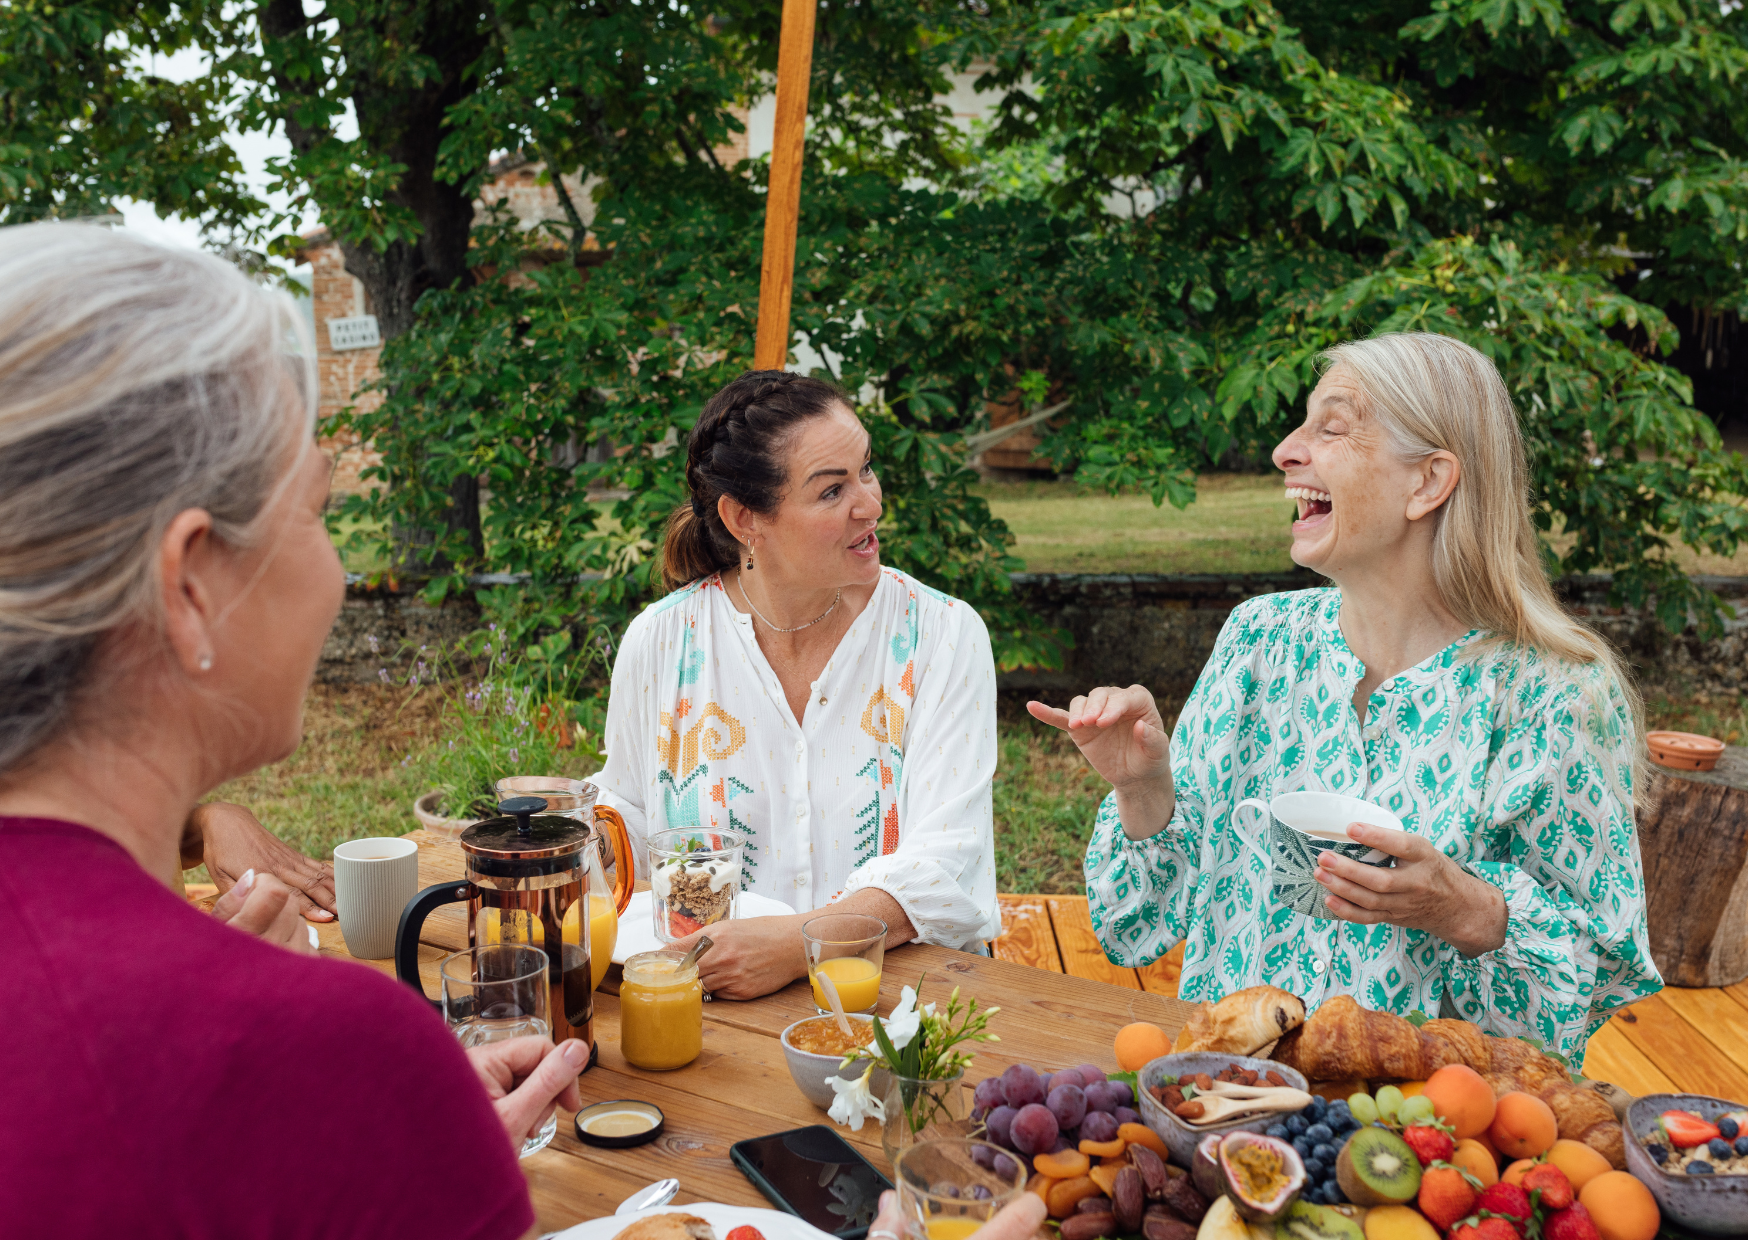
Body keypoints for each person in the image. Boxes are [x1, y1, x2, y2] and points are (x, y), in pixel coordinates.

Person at [0, 222, 581, 1237]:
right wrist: (357, 1095)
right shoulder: (322, 1049)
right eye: (315, 513)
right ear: (189, 584)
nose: (339, 573)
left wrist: (390, 1146)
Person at [1031, 332, 1659, 1063]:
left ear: (1428, 482)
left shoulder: (1556, 694)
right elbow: (1134, 929)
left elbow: (1596, 977)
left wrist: (1466, 910)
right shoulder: (1258, 640)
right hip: (1234, 1096)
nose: (1284, 451)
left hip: (1429, 1123)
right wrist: (1142, 788)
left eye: (1331, 428)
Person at [593, 371, 1001, 998]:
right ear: (745, 519)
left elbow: (949, 861)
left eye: (866, 470)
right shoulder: (661, 641)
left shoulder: (941, 635)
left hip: (908, 1008)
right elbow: (631, 816)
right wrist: (574, 841)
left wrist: (794, 945)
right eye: (832, 490)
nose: (871, 504)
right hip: (718, 1005)